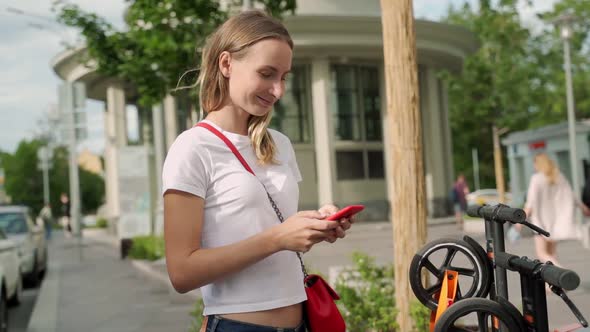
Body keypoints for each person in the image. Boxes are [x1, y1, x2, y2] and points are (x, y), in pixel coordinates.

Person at [162, 11, 355, 332]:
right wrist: (278, 238)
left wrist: (316, 225)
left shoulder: (279, 143)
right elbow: (181, 273)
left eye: (284, 77)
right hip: (238, 324)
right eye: (266, 74)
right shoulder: (192, 147)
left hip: (301, 321)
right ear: (226, 64)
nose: (278, 90)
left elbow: (272, 226)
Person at [523, 153, 590, 267]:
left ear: (538, 164)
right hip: (554, 223)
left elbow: (531, 202)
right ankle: (550, 285)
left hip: (540, 223)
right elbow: (572, 195)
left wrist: (521, 217)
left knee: (542, 254)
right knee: (551, 254)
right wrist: (582, 207)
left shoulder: (536, 179)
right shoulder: (558, 177)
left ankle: (560, 272)